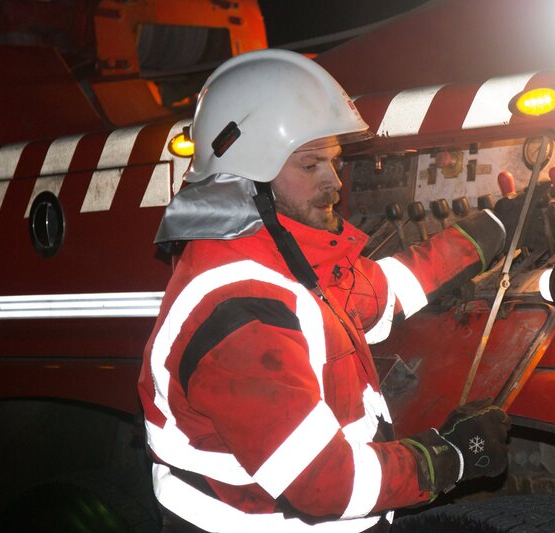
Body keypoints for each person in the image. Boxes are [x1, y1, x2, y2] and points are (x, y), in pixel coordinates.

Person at [138, 49, 510, 533]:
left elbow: (382, 291)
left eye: (333, 162)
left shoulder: (287, 262)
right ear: (245, 182)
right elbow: (327, 484)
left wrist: (494, 228)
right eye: (310, 165)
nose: (334, 182)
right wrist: (452, 456)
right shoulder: (241, 311)